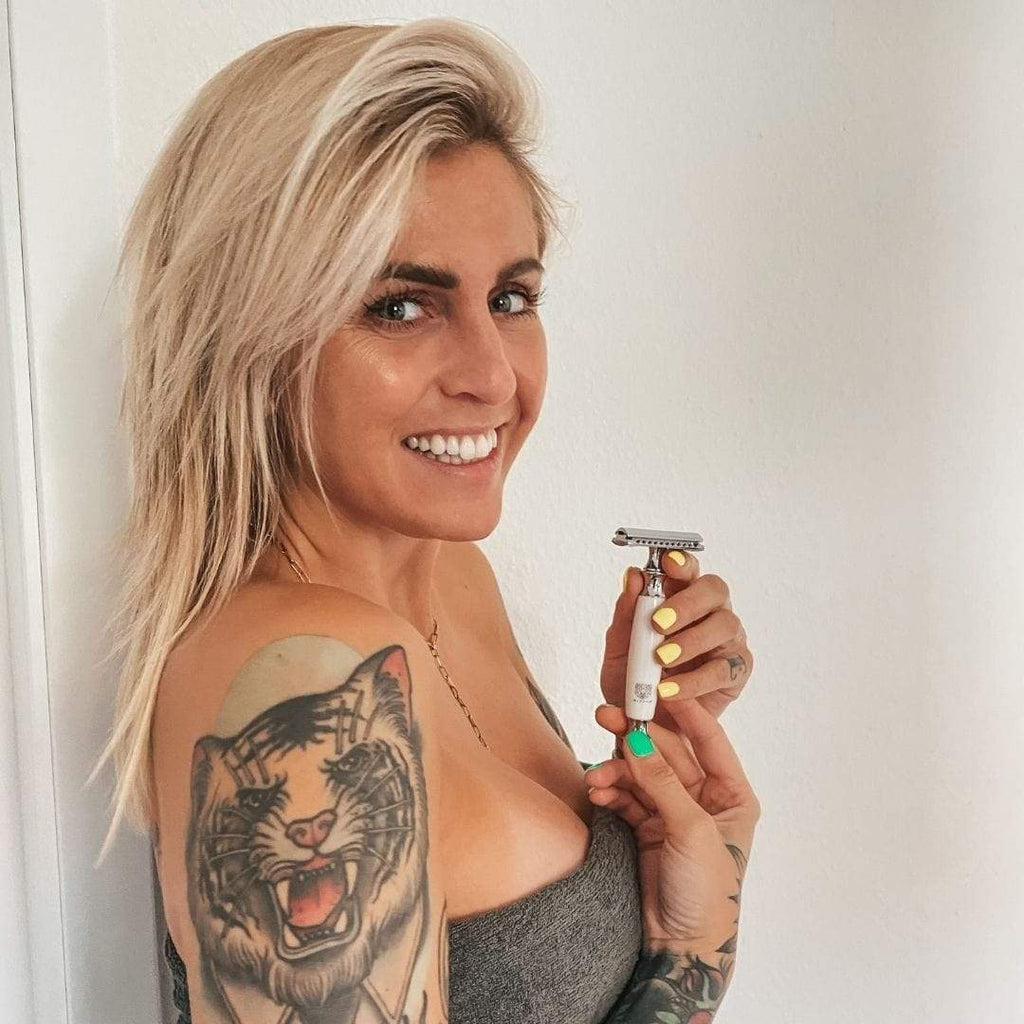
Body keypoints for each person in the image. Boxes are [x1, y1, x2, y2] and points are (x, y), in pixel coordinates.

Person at [93, 16, 760, 1023]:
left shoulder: (453, 577)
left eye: (512, 297)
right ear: (251, 337)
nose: (492, 376)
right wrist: (697, 954)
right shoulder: (295, 670)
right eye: (402, 306)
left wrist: (662, 786)